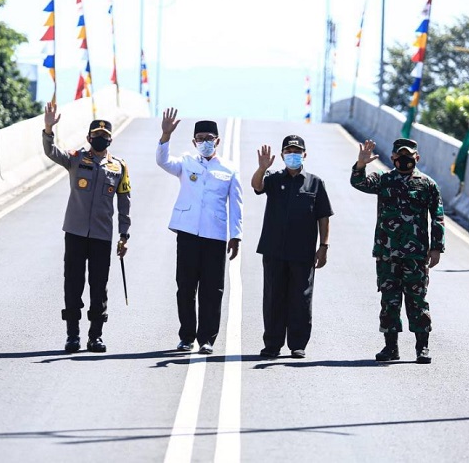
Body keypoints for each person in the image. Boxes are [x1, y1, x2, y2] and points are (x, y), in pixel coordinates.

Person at [42, 102, 131, 353]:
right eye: (96, 136)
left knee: (98, 286)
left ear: (111, 140)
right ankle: (72, 335)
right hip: (75, 232)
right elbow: (51, 152)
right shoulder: (76, 158)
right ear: (88, 137)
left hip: (102, 236)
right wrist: (48, 128)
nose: (100, 139)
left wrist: (124, 234)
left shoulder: (119, 167)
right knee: (73, 283)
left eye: (104, 137)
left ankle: (95, 336)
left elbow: (124, 202)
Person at [349, 138, 445, 364]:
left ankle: (422, 348)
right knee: (389, 301)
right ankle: (390, 347)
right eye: (399, 155)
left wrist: (436, 248)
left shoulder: (427, 185)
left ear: (417, 158)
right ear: (392, 157)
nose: (404, 159)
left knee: (417, 301)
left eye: (408, 156)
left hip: (416, 256)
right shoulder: (384, 180)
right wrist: (361, 164)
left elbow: (437, 217)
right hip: (387, 254)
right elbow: (358, 183)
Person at [156, 108, 243, 355]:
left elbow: (236, 205)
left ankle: (207, 339)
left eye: (209, 138)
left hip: (215, 235)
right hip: (187, 233)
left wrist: (236, 235)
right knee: (185, 286)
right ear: (194, 142)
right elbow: (163, 161)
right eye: (200, 138)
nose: (205, 142)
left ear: (218, 141)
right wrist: (165, 135)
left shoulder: (229, 169)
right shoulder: (186, 162)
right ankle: (186, 337)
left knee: (212, 289)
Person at [252, 135, 333, 359]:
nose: (293, 155)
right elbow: (257, 187)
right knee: (273, 298)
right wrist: (261, 168)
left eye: (297, 151)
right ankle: (272, 344)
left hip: (303, 252)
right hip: (273, 250)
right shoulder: (274, 178)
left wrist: (324, 246)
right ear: (282, 155)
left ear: (304, 155)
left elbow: (324, 216)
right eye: (289, 151)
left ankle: (297, 344)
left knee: (301, 299)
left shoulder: (315, 183)